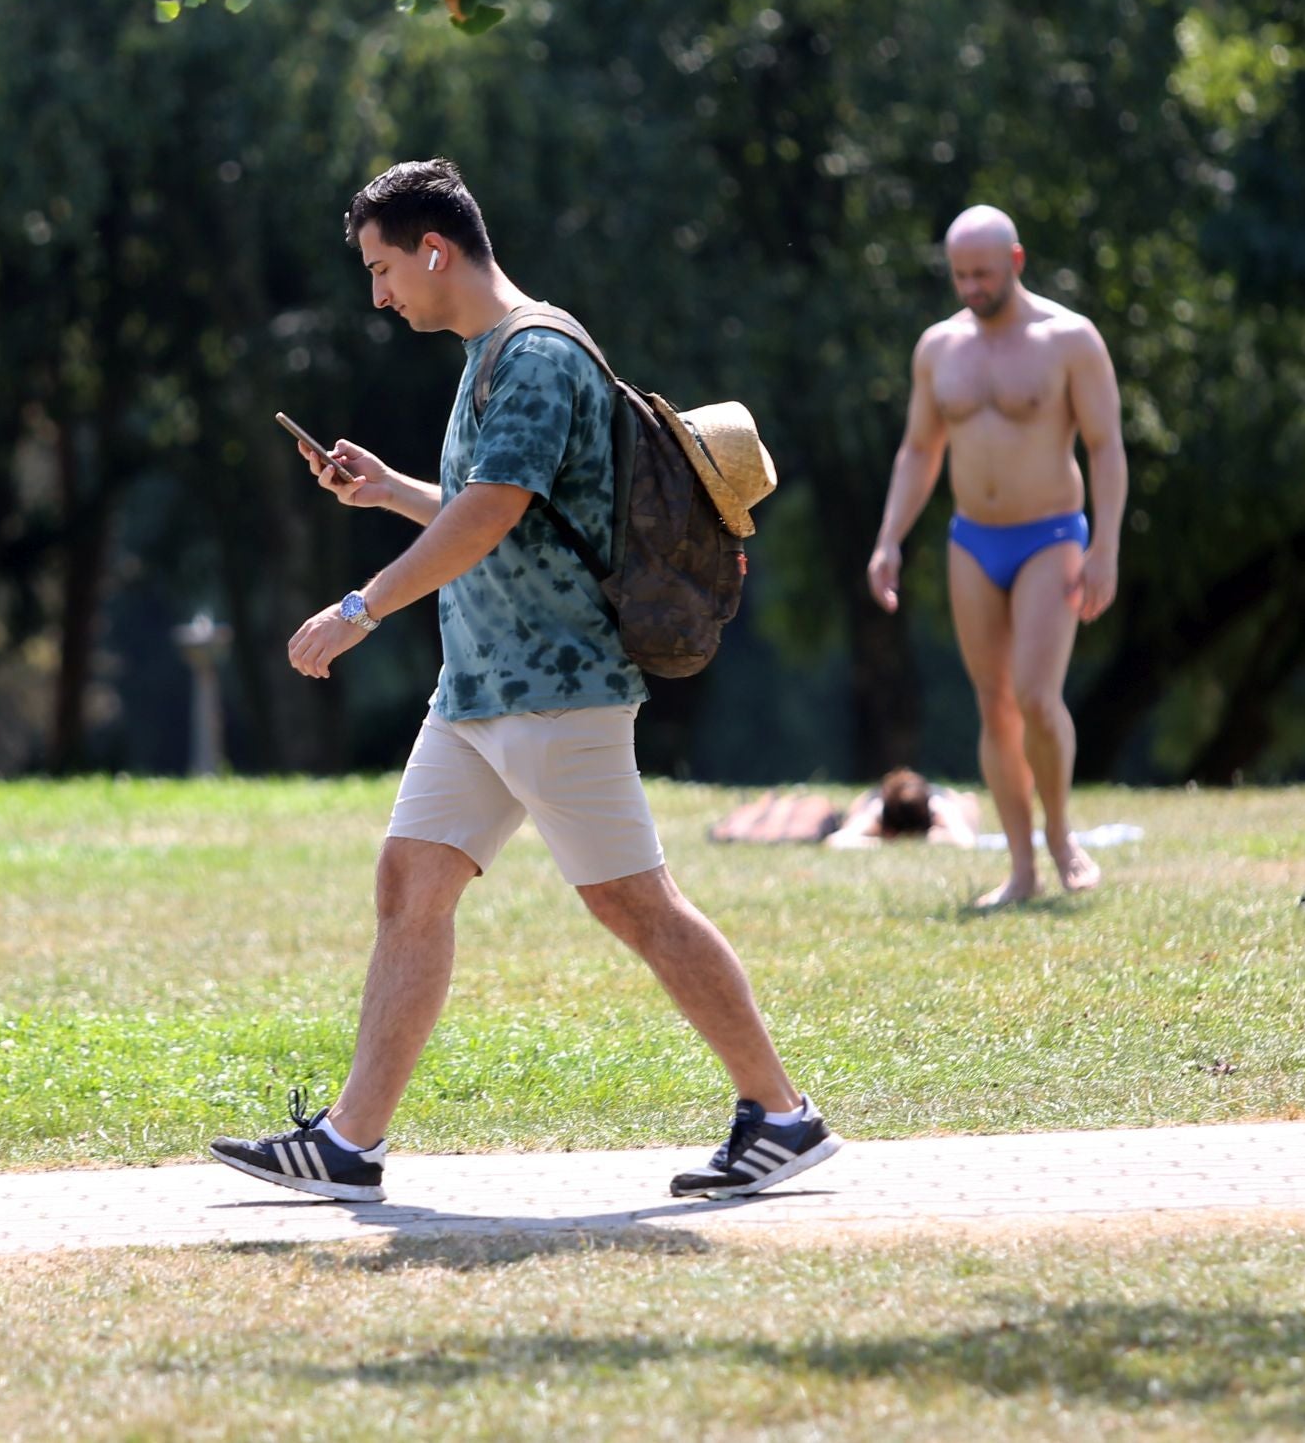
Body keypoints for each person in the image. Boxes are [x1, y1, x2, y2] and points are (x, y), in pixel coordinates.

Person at [208, 159, 839, 1204]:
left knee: (636, 903)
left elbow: (494, 511)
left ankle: (781, 1114)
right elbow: (493, 511)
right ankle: (348, 1143)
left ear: (436, 250)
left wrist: (362, 606)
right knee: (411, 883)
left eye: (382, 269)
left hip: (556, 686)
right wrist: (391, 491)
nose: (378, 295)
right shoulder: (490, 354)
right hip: (481, 691)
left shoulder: (535, 354)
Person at [866, 206, 1127, 907]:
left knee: (1038, 698)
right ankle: (1021, 868)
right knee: (995, 706)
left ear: (1015, 261)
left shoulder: (1068, 339)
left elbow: (1104, 445)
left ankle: (1062, 834)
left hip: (1050, 534)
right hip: (972, 539)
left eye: (983, 273)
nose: (972, 287)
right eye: (959, 276)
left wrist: (1105, 545)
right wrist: (890, 537)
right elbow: (919, 450)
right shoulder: (939, 348)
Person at [824, 767, 981, 849]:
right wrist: (883, 842)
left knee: (968, 801)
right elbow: (836, 841)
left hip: (951, 801)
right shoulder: (876, 808)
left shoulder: (940, 805)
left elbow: (967, 842)